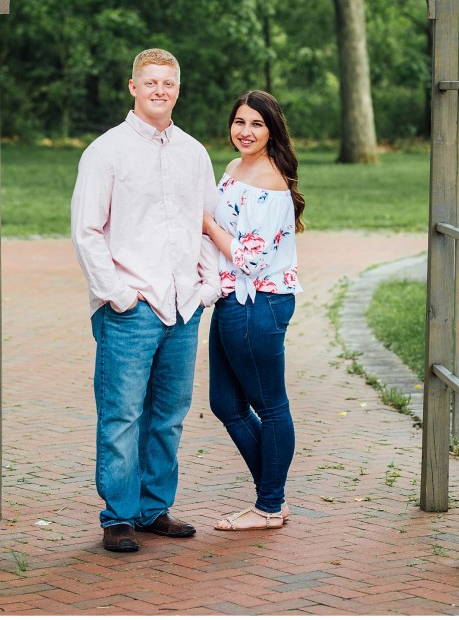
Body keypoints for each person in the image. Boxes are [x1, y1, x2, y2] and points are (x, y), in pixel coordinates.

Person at [71, 48, 221, 553]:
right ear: (133, 87)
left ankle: (154, 508)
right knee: (122, 417)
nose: (160, 90)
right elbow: (87, 230)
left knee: (169, 416)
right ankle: (118, 516)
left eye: (169, 83)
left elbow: (207, 224)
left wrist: (206, 287)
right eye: (151, 82)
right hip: (131, 309)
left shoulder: (193, 153)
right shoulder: (106, 151)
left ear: (178, 89)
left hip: (183, 307)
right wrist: (116, 295)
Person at [202, 90, 305, 531]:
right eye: (240, 122)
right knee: (225, 403)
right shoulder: (233, 168)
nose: (245, 131)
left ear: (272, 130)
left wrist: (205, 224)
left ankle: (269, 505)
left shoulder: (271, 181)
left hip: (258, 301)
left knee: (271, 405)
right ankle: (272, 494)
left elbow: (251, 259)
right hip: (232, 297)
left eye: (257, 124)